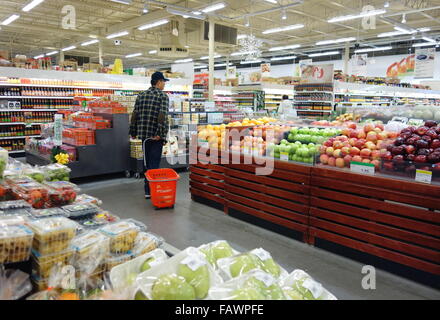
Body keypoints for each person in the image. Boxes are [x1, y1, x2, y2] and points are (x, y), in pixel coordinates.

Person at [129, 71, 170, 199]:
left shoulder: (141, 95)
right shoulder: (163, 96)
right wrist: (161, 134)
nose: (164, 84)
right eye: (163, 82)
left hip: (144, 136)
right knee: (155, 164)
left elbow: (134, 114)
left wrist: (133, 131)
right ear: (158, 82)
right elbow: (162, 116)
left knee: (147, 163)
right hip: (155, 136)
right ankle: (154, 189)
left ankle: (147, 190)